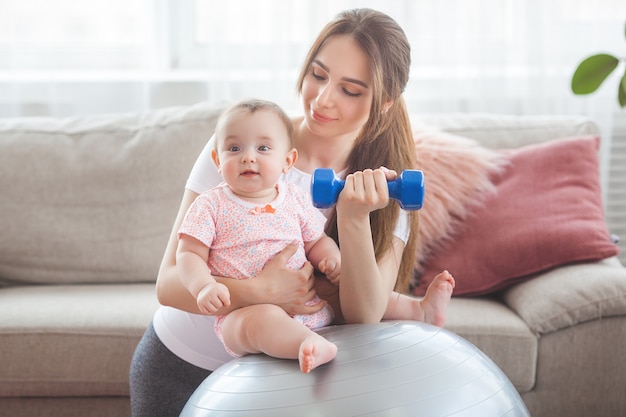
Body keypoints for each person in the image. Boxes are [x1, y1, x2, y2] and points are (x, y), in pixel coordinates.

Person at [130, 8, 455, 417]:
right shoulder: (246, 147)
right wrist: (259, 291)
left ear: (385, 102)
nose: (323, 99)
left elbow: (366, 314)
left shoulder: (388, 185)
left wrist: (354, 219)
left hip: (288, 385)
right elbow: (169, 284)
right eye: (318, 75)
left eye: (350, 90)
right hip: (182, 365)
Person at [176, 99, 340, 374]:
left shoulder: (295, 199)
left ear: (287, 161)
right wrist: (203, 286)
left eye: (263, 148)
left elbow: (317, 241)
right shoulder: (210, 204)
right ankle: (307, 344)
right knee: (261, 321)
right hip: (244, 313)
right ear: (217, 160)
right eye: (234, 148)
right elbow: (188, 253)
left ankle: (417, 311)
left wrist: (332, 259)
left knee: (371, 294)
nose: (247, 157)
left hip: (304, 308)